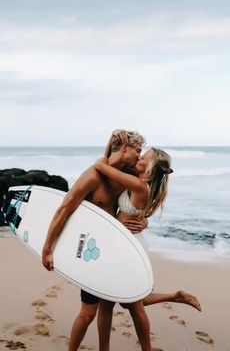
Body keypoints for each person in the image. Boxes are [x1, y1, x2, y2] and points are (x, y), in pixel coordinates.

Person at [42, 130, 149, 351]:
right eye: (137, 151)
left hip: (112, 250)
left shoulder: (124, 176)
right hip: (90, 250)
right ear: (125, 148)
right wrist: (48, 248)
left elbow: (142, 199)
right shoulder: (93, 176)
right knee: (89, 311)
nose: (140, 157)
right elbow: (64, 209)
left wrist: (144, 221)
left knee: (114, 304)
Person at [94, 142, 201, 351]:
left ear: (150, 166)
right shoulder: (142, 182)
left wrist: (103, 158)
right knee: (111, 302)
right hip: (122, 244)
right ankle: (175, 297)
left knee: (132, 305)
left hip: (128, 249)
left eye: (145, 157)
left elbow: (101, 166)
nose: (140, 158)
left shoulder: (139, 185)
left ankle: (147, 348)